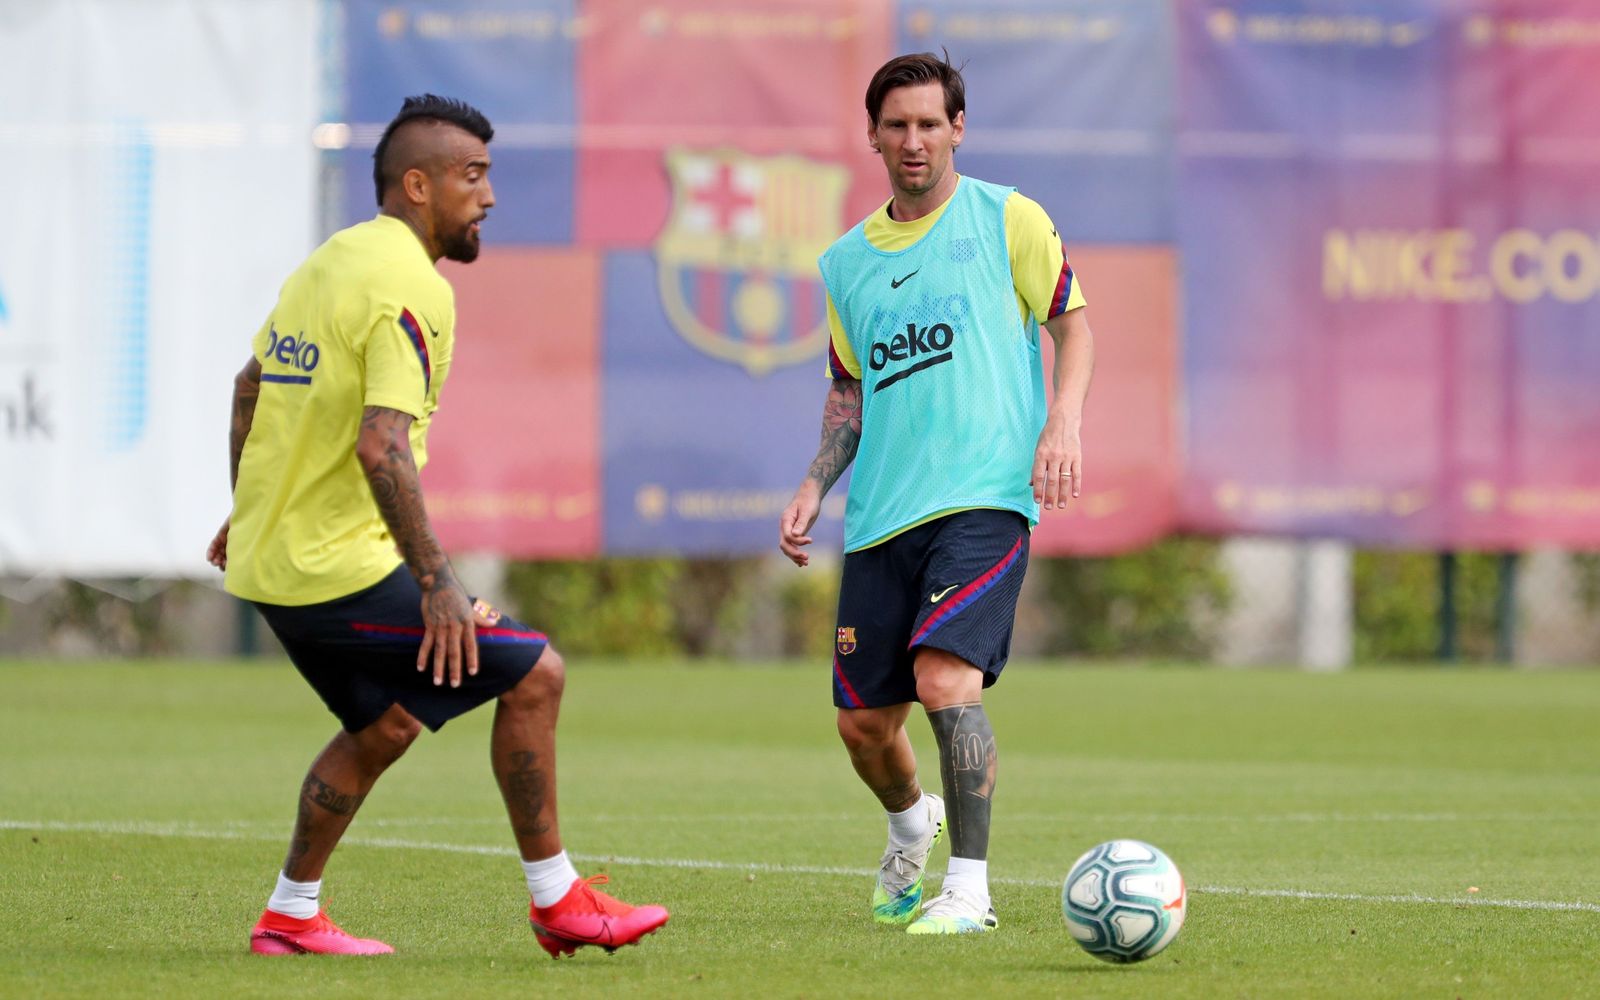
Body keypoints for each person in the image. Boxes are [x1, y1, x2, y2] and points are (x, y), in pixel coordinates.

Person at [206, 94, 668, 959]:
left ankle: (290, 916)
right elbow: (383, 445)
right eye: (472, 177)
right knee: (536, 674)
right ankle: (558, 901)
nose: (487, 197)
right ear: (417, 186)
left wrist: (248, 508)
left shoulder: (328, 263)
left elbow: (247, 386)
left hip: (273, 564)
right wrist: (438, 584)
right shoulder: (411, 286)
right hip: (330, 570)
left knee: (386, 723)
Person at [779, 53, 1094, 935]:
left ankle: (970, 889)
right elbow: (849, 391)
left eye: (930, 123)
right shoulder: (845, 263)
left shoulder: (1008, 219)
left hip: (986, 496)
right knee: (865, 728)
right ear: (872, 134)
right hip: (882, 515)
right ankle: (911, 823)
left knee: (946, 679)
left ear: (959, 127)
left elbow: (1073, 327)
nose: (914, 140)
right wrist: (813, 482)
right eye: (898, 125)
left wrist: (1061, 424)